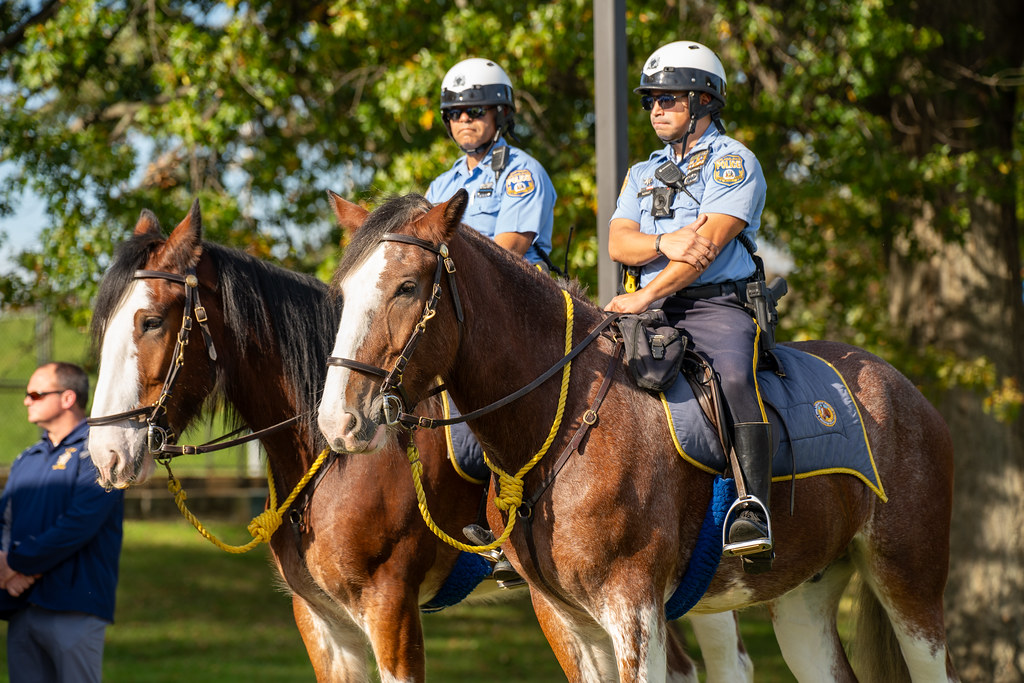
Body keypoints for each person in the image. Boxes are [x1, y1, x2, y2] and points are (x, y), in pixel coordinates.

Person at [604, 41, 775, 571]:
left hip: (714, 306)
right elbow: (618, 242)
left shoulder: (733, 162)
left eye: (668, 98)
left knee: (734, 376)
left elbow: (706, 251)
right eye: (650, 100)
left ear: (703, 100)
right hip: (646, 311)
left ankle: (753, 507)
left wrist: (645, 292)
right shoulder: (642, 172)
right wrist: (664, 242)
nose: (655, 109)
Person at [0, 362, 125, 682]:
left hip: (73, 607)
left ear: (68, 398)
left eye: (35, 394)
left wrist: (17, 565)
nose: (26, 400)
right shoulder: (27, 459)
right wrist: (6, 569)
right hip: (22, 606)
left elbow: (78, 525)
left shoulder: (100, 454)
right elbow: (5, 521)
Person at [426, 57, 557, 269]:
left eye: (474, 111)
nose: (464, 119)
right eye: (454, 113)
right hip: (454, 287)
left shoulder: (521, 173)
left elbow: (502, 258)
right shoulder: (440, 186)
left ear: (501, 113)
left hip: (511, 288)